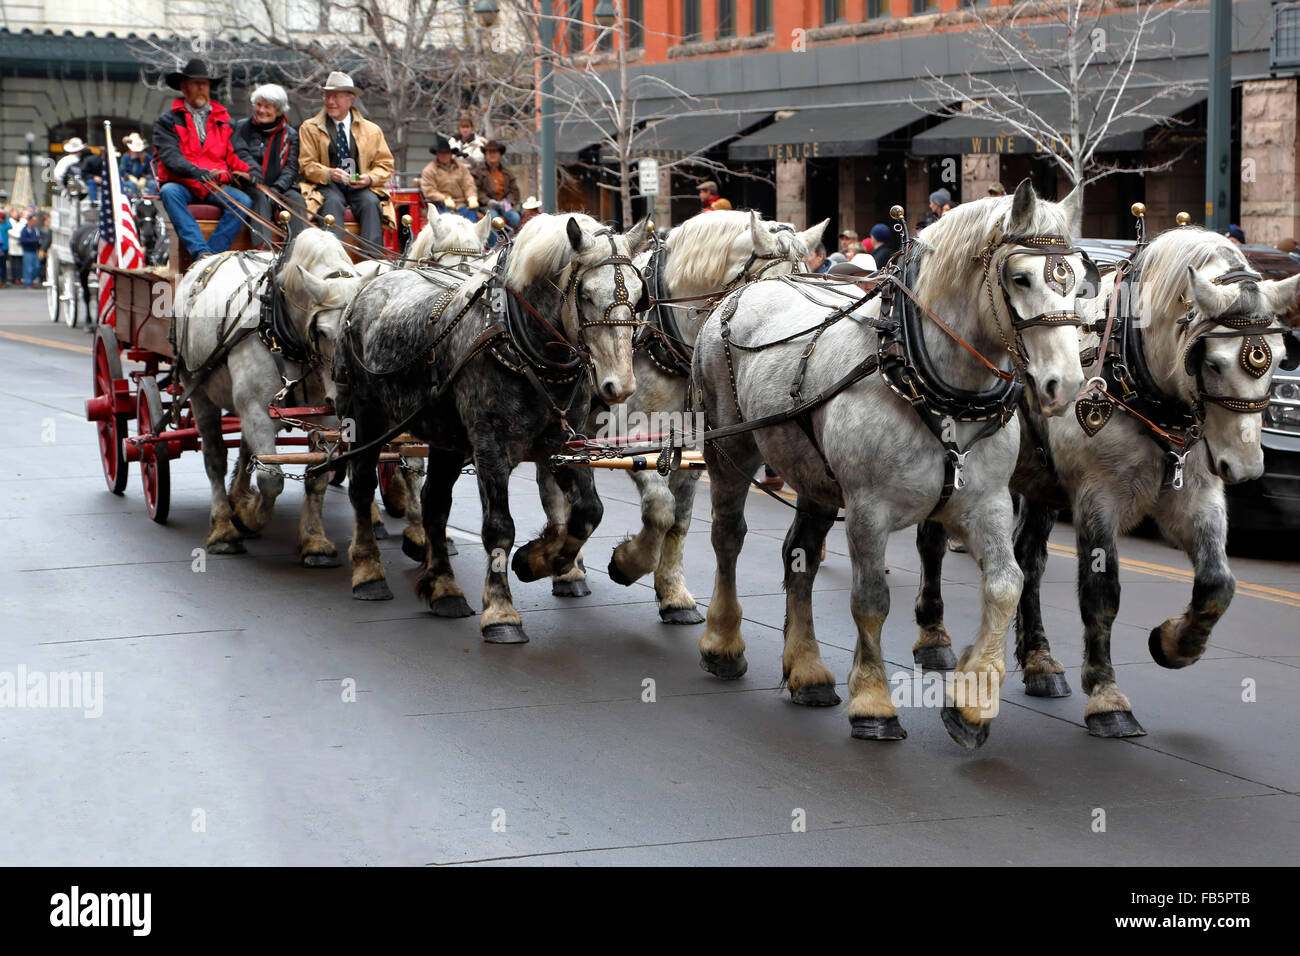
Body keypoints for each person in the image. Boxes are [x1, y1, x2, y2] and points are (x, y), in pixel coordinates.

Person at [154, 58, 255, 261]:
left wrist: (251, 173)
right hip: (183, 184)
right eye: (195, 83)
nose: (201, 88)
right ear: (184, 88)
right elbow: (170, 156)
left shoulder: (225, 120)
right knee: (168, 192)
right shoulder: (167, 121)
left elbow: (238, 153)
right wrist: (196, 172)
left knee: (243, 200)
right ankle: (200, 252)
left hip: (214, 185)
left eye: (205, 84)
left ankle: (212, 256)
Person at [299, 71, 396, 248]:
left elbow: (385, 164)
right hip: (326, 186)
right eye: (327, 96)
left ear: (350, 100)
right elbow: (306, 165)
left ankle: (372, 261)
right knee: (332, 202)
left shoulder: (372, 130)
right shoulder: (309, 127)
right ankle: (335, 260)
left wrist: (370, 178)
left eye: (336, 97)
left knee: (370, 202)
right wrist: (329, 174)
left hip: (360, 186)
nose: (330, 102)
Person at [233, 84, 307, 248]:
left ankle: (300, 250)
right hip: (250, 184)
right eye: (259, 105)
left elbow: (291, 168)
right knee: (259, 198)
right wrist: (258, 183)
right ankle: (263, 252)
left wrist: (275, 190)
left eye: (268, 106)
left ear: (279, 110)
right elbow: (238, 155)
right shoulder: (241, 127)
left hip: (280, 186)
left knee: (295, 199)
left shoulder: (290, 134)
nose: (261, 110)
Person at [420, 134, 479, 222]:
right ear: (437, 154)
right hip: (440, 205)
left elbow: (468, 184)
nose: (444, 156)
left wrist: (471, 198)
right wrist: (444, 199)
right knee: (446, 226)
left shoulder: (461, 167)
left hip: (462, 204)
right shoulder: (429, 170)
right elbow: (429, 190)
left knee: (472, 221)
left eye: (446, 153)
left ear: (451, 154)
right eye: (441, 153)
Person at [470, 139, 520, 236]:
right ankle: (495, 247)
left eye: (495, 152)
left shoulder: (507, 173)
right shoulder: (477, 172)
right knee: (493, 218)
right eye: (489, 152)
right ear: (486, 155)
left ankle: (513, 244)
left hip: (505, 206)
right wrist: (488, 201)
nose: (492, 155)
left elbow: (514, 191)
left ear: (499, 154)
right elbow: (476, 190)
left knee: (515, 217)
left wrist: (507, 202)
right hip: (487, 206)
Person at [119, 133, 157, 198]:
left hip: (144, 181)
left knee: (153, 184)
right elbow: (122, 171)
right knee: (131, 185)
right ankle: (133, 201)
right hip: (130, 181)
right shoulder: (126, 157)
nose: (138, 153)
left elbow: (152, 172)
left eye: (140, 151)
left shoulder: (147, 158)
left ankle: (149, 202)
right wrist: (129, 177)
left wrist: (145, 178)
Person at [20, 213, 43, 288]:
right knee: (28, 268)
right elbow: (22, 240)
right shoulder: (25, 229)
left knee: (37, 267)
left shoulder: (36, 229)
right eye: (33, 220)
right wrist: (32, 240)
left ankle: (32, 281)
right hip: (28, 251)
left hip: (35, 251)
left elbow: (39, 238)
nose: (34, 222)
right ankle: (28, 283)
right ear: (29, 220)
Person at [8, 208, 26, 285]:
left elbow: (22, 230)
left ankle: (19, 278)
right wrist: (21, 236)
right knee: (14, 264)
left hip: (20, 247)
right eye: (15, 213)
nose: (17, 214)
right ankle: (14, 278)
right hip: (13, 247)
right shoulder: (9, 221)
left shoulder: (20, 221)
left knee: (20, 264)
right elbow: (12, 231)